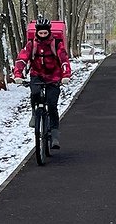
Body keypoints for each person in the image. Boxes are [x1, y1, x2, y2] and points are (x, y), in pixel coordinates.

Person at [13, 17, 72, 149]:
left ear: (49, 32)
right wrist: (18, 74)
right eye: (41, 33)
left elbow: (64, 60)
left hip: (54, 77)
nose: (43, 35)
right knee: (35, 92)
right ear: (37, 32)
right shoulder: (31, 45)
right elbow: (22, 59)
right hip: (37, 75)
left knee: (52, 105)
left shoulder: (56, 44)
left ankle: (55, 135)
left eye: (46, 33)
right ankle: (35, 113)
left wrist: (66, 75)